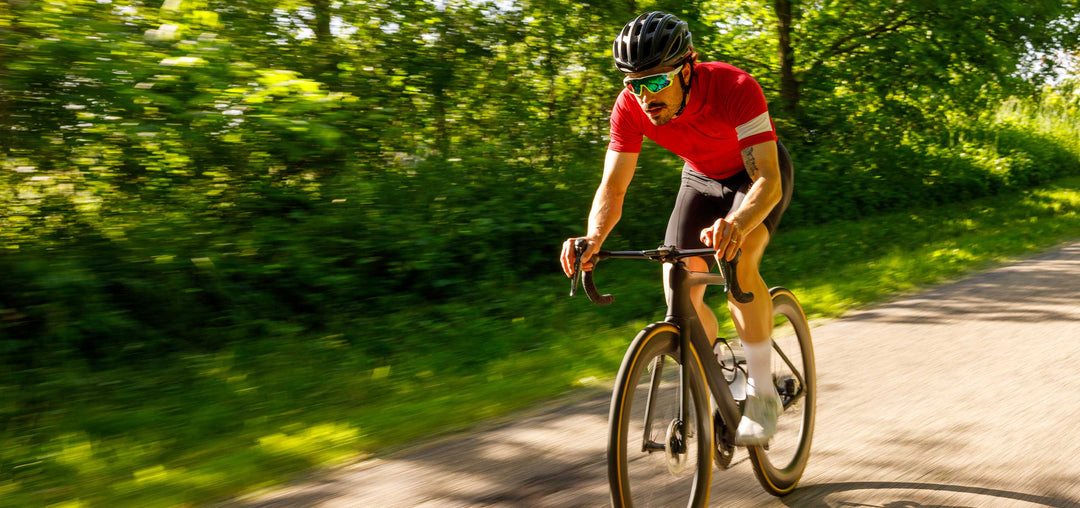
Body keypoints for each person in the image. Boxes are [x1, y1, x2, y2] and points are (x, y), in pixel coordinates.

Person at [559, 11, 794, 445]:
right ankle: (719, 376)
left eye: (654, 82)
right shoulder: (630, 106)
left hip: (755, 176)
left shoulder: (734, 87)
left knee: (738, 263)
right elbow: (613, 187)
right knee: (676, 285)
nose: (644, 96)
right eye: (633, 84)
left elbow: (769, 179)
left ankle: (763, 394)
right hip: (700, 179)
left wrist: (737, 224)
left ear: (687, 68)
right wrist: (593, 238)